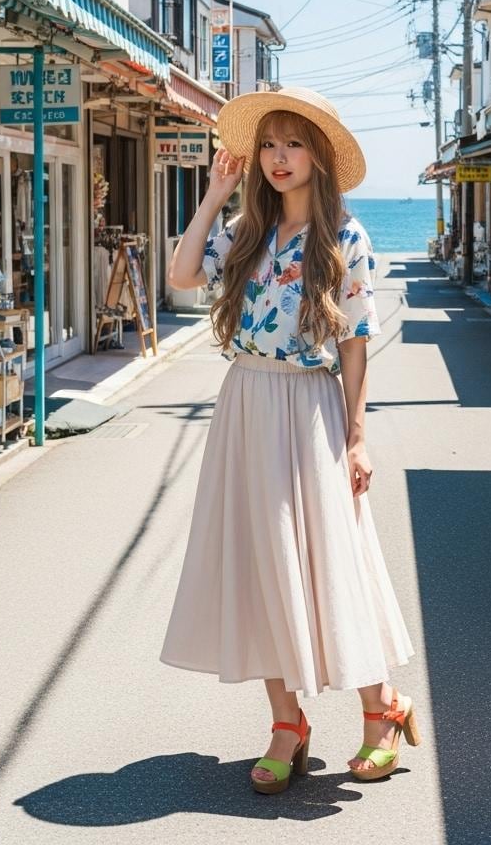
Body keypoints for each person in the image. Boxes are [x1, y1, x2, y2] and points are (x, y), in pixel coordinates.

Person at [160, 86, 419, 794]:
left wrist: (357, 436)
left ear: (318, 156)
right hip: (245, 400)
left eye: (292, 144)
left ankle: (380, 709)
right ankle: (286, 722)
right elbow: (181, 276)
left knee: (335, 559)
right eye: (268, 145)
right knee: (259, 563)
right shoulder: (245, 232)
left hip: (311, 408)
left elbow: (356, 343)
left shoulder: (346, 238)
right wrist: (214, 195)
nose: (278, 158)